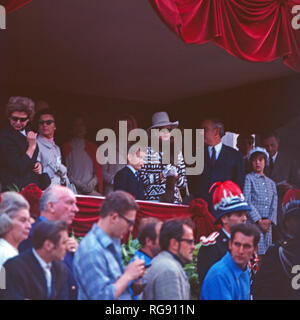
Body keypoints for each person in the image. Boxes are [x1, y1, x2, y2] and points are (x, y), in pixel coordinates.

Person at [73, 191, 145, 300]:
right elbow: (101, 297)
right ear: (114, 217)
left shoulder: (110, 243)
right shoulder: (92, 250)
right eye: (129, 223)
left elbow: (114, 284)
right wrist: (128, 276)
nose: (131, 229)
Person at [19, 185, 79, 300]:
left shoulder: (64, 238)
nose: (76, 209)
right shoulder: (32, 237)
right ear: (51, 206)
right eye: (70, 203)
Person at [197, 180, 250, 292]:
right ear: (224, 218)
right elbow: (209, 287)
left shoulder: (247, 243)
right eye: (239, 214)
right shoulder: (212, 246)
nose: (244, 218)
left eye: (245, 214)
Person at [252, 189, 300, 300]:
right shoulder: (277, 252)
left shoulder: (278, 251)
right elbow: (262, 291)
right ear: (287, 222)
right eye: (296, 218)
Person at [2, 220, 69, 300]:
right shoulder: (11, 267)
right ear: (48, 245)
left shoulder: (60, 269)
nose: (67, 248)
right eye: (64, 243)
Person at [0, 96, 50, 191]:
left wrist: (38, 164)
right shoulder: (5, 137)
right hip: (14, 189)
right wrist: (31, 146)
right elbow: (18, 167)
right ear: (9, 117)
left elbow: (32, 158)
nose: (18, 123)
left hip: (31, 186)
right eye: (14, 119)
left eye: (22, 120)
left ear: (29, 119)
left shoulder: (29, 131)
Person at [200, 223, 260, 300]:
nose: (241, 251)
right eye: (237, 244)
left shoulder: (245, 270)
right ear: (230, 244)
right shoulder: (219, 275)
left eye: (246, 246)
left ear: (255, 249)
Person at [139, 111, 187, 204]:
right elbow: (141, 180)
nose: (166, 133)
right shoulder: (145, 151)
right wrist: (160, 176)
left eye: (168, 130)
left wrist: (176, 177)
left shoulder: (177, 152)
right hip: (152, 202)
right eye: (162, 129)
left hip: (174, 202)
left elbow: (183, 184)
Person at [194, 118, 245, 203]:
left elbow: (238, 185)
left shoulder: (235, 155)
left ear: (216, 131)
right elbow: (192, 184)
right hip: (202, 208)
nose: (201, 133)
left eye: (205, 129)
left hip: (225, 207)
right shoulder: (196, 155)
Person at [143, 219, 195, 300]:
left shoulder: (167, 264)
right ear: (174, 244)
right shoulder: (168, 270)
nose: (193, 247)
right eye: (190, 242)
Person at [261, 131, 300, 238]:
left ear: (278, 143)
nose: (269, 149)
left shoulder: (289, 160)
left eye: (272, 145)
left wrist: (291, 187)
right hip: (263, 209)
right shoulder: (258, 160)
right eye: (266, 146)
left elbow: (297, 183)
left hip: (281, 208)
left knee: (283, 238)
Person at [243, 147, 277, 259]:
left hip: (267, 225)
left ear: (265, 162)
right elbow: (247, 200)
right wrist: (258, 220)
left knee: (267, 254)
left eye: (261, 160)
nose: (258, 162)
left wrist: (269, 220)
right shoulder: (249, 178)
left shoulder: (271, 183)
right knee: (255, 253)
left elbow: (274, 203)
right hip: (254, 223)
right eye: (254, 160)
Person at [62, 115, 103, 196]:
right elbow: (65, 172)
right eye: (76, 125)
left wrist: (91, 184)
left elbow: (98, 171)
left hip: (90, 189)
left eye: (81, 125)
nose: (79, 128)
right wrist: (80, 185)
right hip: (73, 189)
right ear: (72, 129)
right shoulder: (66, 147)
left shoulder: (92, 147)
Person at [36, 109, 74, 189]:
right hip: (44, 190)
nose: (45, 125)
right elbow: (36, 172)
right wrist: (53, 168)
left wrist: (63, 175)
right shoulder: (35, 144)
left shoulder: (57, 148)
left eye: (48, 122)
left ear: (55, 126)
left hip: (58, 190)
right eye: (41, 123)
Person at [102, 113, 138, 196]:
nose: (126, 129)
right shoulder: (108, 147)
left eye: (129, 126)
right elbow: (102, 172)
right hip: (112, 191)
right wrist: (117, 181)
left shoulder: (136, 149)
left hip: (131, 192)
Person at [129, 218, 162, 299]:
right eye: (161, 237)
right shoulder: (138, 269)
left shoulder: (154, 262)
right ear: (149, 241)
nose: (166, 240)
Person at [0, 192, 31, 269]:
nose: (29, 226)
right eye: (23, 220)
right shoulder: (6, 256)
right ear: (6, 221)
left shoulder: (11, 252)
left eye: (29, 221)